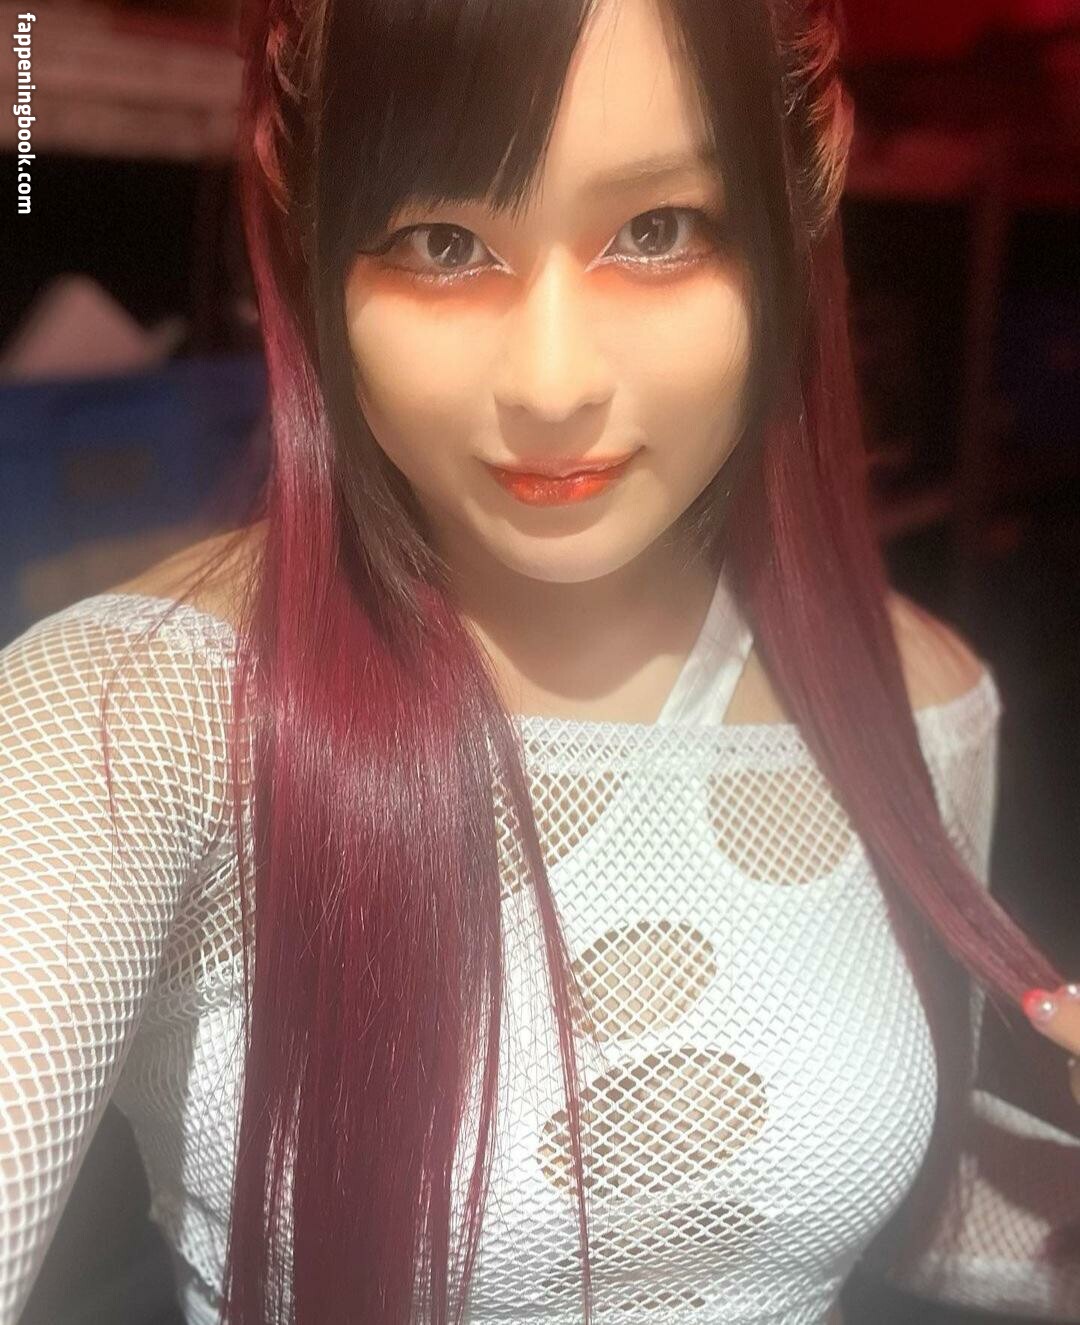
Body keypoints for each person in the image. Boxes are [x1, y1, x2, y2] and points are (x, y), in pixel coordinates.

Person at [1, 0, 1079, 1322]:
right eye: (443, 243)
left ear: (802, 196)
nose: (553, 385)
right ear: (309, 221)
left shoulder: (917, 700)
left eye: (659, 229)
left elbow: (859, 1193)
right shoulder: (129, 718)